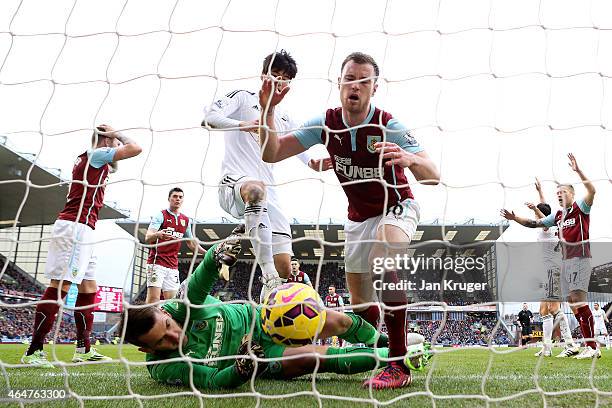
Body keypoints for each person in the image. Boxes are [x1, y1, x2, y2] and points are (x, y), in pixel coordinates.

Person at [258, 51, 440, 389]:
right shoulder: (325, 124)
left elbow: (433, 176)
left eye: (363, 81)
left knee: (383, 262)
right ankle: (392, 349)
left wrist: (409, 158)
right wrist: (268, 110)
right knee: (361, 307)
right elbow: (271, 153)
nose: (354, 86)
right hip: (358, 219)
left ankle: (399, 366)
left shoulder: (388, 124)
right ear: (339, 84)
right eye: (349, 79)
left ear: (374, 88)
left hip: (396, 206)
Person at [119, 229, 404, 390]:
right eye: (162, 341)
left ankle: (388, 342)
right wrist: (243, 367)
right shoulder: (163, 368)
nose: (174, 336)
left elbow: (198, 283)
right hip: (261, 355)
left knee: (339, 321)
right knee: (312, 357)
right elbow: (213, 380)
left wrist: (216, 255)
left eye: (169, 327)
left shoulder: (173, 308)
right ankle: (399, 357)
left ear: (167, 316)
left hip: (265, 319)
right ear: (146, 350)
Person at [202, 50, 332, 302]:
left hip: (269, 195)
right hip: (235, 182)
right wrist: (242, 124)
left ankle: (262, 324)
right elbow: (209, 119)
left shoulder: (283, 118)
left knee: (285, 269)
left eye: (285, 78)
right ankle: (266, 273)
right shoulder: (242, 98)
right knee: (256, 190)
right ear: (263, 75)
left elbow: (299, 148)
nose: (278, 81)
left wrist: (313, 163)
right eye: (275, 74)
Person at [21, 125, 142, 367]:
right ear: (106, 140)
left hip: (85, 229)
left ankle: (84, 349)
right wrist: (116, 132)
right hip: (74, 228)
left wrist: (112, 140)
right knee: (60, 286)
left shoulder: (95, 160)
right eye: (113, 141)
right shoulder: (96, 154)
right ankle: (33, 351)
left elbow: (118, 160)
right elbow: (135, 148)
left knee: (88, 287)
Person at [501, 153, 600, 359]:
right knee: (573, 303)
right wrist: (514, 217)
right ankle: (584, 345)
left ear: (571, 194)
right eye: (557, 193)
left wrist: (578, 170)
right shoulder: (557, 216)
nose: (559, 195)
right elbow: (534, 223)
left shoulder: (581, 207)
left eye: (562, 192)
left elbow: (592, 190)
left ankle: (590, 347)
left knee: (576, 303)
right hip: (565, 264)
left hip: (580, 259)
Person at [525, 179, 579, 358]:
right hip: (549, 271)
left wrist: (534, 209)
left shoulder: (546, 228)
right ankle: (547, 348)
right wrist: (540, 191)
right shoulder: (551, 226)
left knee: (554, 308)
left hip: (552, 271)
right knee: (543, 310)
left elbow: (542, 215)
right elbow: (545, 208)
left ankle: (570, 344)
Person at [144, 187, 206, 304]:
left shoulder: (185, 220)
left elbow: (191, 244)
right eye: (175, 196)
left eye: (180, 197)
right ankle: (148, 322)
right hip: (156, 263)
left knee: (173, 302)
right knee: (154, 300)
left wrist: (207, 253)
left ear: (183, 200)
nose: (177, 199)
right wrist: (158, 234)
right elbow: (148, 237)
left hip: (172, 266)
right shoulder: (161, 215)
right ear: (169, 198)